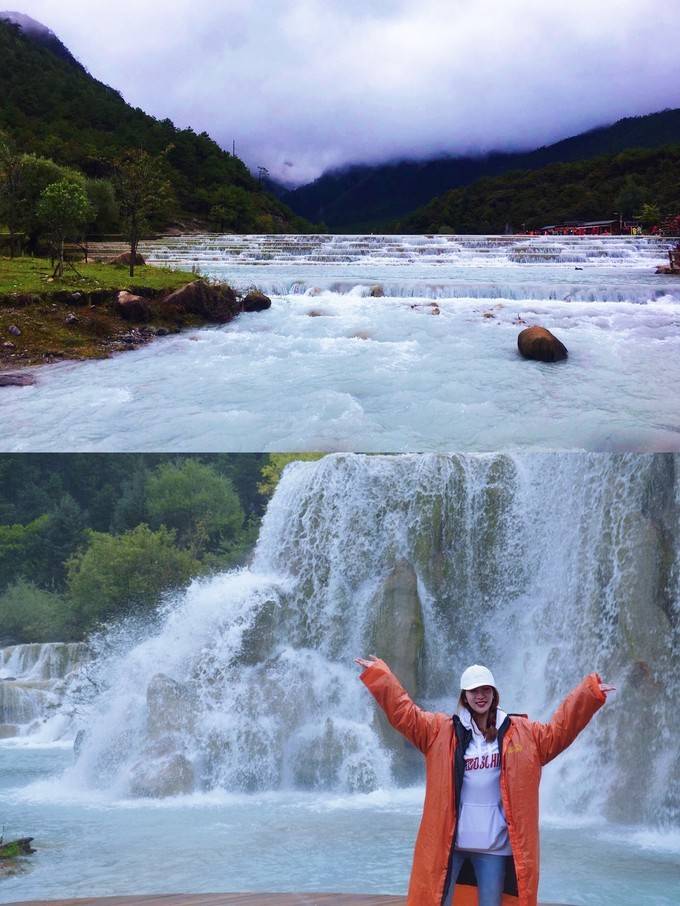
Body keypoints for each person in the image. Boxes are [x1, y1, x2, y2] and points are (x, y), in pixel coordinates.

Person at [355, 655, 614, 906]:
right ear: (464, 696)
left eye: (486, 690)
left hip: (494, 848)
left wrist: (588, 695)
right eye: (473, 690)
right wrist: (381, 677)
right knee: (437, 901)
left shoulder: (523, 733)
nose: (480, 696)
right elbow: (405, 714)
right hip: (451, 844)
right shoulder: (439, 731)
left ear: (494, 693)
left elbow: (560, 730)